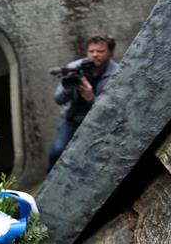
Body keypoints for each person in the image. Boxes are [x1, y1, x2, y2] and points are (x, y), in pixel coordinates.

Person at [47, 34, 120, 171]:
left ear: (110, 53)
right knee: (57, 151)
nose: (95, 55)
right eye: (91, 51)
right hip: (73, 119)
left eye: (100, 51)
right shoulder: (74, 68)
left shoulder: (116, 73)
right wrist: (68, 89)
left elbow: (112, 108)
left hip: (101, 123)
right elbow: (58, 99)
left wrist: (91, 98)